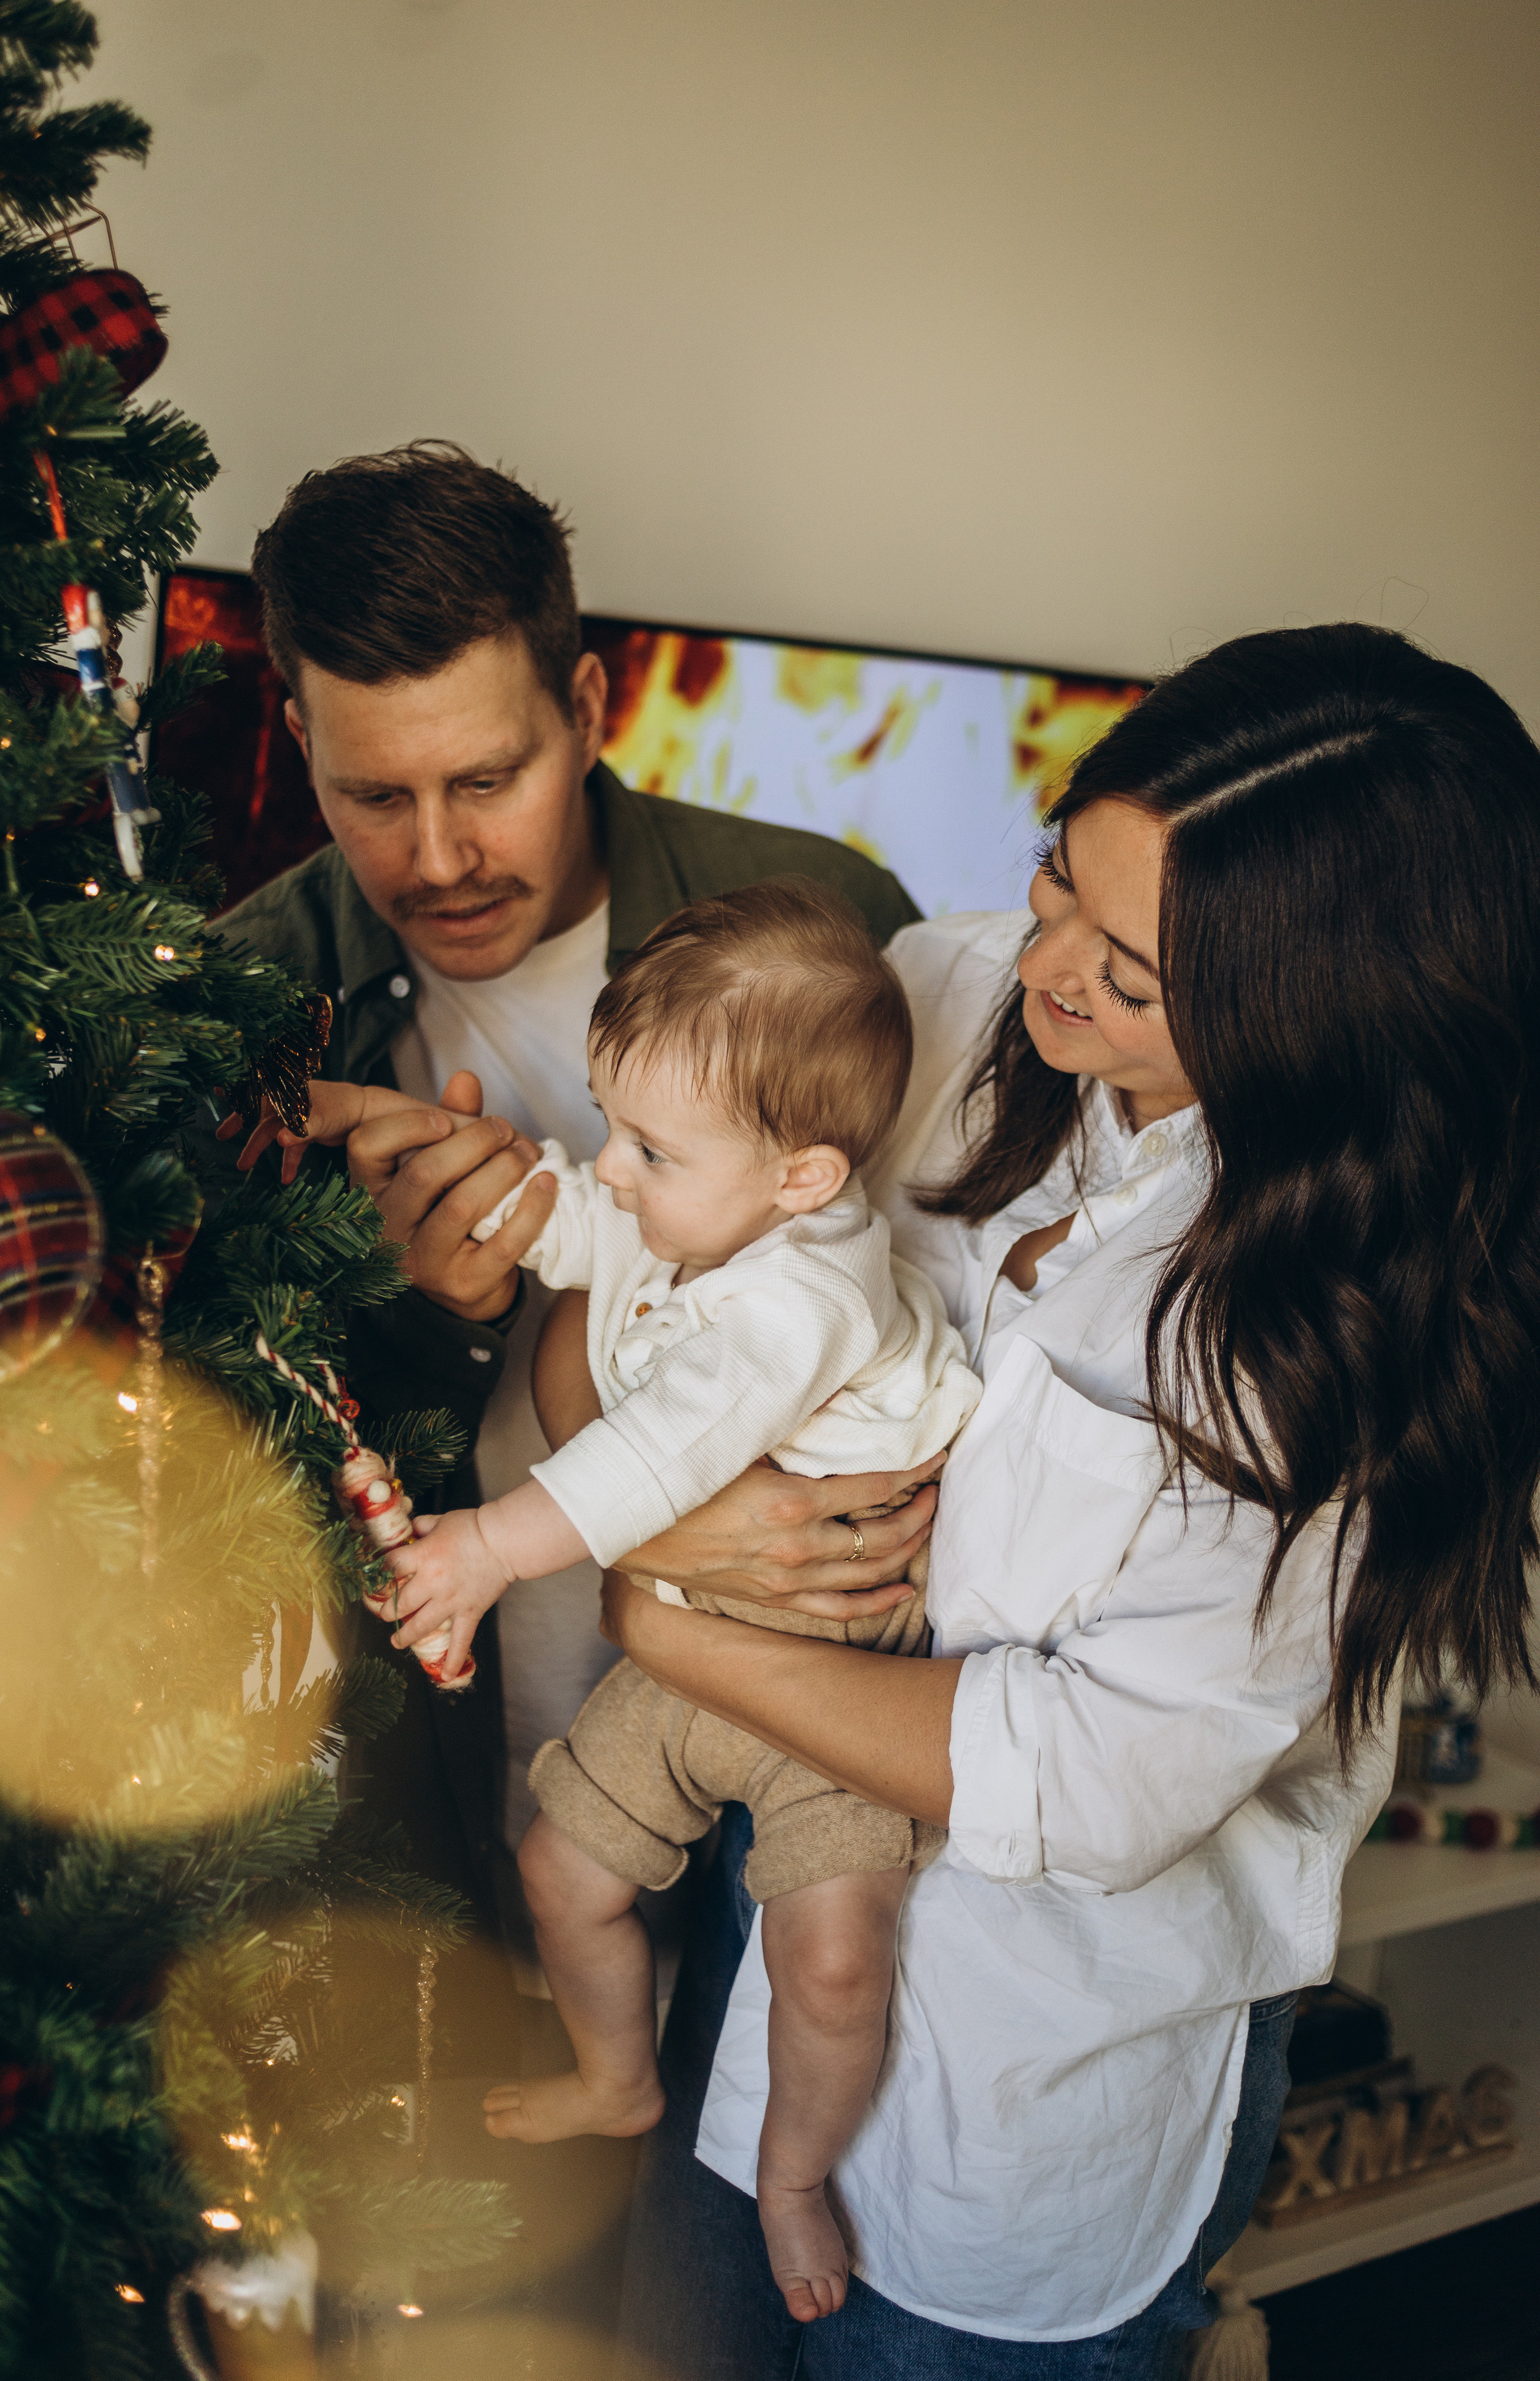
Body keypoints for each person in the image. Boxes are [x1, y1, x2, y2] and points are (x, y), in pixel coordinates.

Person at [512, 623, 1540, 2374]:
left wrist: (647, 1610)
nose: (1047, 968)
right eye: (1059, 878)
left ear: (1319, 1014)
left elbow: (1091, 1775)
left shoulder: (1324, 1336)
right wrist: (641, 1476)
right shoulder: (939, 991)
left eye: (1130, 974)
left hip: (1031, 2061)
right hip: (769, 1913)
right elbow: (647, 1326)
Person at [246, 884, 981, 2321]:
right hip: (687, 1656)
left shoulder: (799, 1301)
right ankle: (615, 2077)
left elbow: (655, 1457)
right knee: (559, 1875)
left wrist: (481, 1551)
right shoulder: (699, 1216)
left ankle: (789, 2175)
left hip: (824, 1686)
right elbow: (577, 1223)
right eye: (610, 1123)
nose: (616, 1167)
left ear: (805, 1179)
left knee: (832, 1965)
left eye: (648, 1146)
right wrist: (408, 1145)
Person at [215, 443, 922, 1930]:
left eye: (488, 779)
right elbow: (189, 1492)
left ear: (587, 708)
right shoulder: (239, 1001)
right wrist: (422, 1312)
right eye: (372, 795)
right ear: (296, 738)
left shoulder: (826, 928)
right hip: (447, 1829)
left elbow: (940, 1338)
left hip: (810, 1770)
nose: (439, 855)